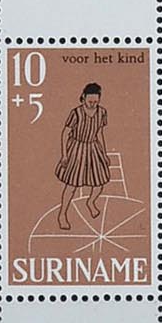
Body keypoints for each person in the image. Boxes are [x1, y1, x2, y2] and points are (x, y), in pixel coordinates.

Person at [56, 82, 111, 231]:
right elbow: (65, 133)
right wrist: (64, 155)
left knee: (99, 182)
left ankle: (90, 202)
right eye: (90, 101)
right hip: (77, 149)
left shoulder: (102, 112)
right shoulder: (76, 113)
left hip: (93, 148)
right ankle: (62, 215)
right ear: (83, 97)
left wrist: (104, 154)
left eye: (96, 101)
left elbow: (100, 133)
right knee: (72, 185)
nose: (93, 104)